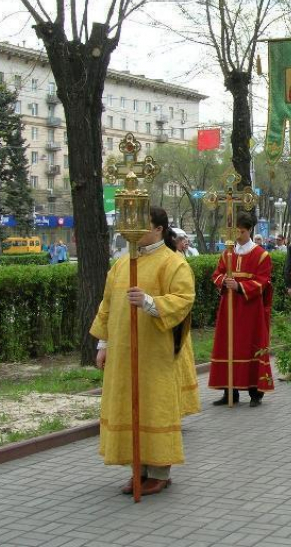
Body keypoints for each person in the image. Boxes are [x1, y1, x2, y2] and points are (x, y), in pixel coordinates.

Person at [91, 207, 199, 496]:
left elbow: (184, 299)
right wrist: (103, 343)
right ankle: (137, 469)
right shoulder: (123, 262)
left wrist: (151, 302)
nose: (135, 232)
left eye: (143, 226)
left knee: (154, 405)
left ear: (159, 229)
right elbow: (107, 304)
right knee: (128, 405)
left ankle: (160, 471)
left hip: (154, 351)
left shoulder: (173, 263)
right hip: (123, 352)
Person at [208, 213, 274, 407]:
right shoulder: (227, 253)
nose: (238, 235)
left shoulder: (261, 254)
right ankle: (230, 391)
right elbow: (216, 274)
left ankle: (255, 392)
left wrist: (239, 286)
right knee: (228, 345)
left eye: (242, 231)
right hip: (229, 307)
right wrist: (224, 282)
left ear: (250, 230)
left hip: (249, 309)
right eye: (236, 231)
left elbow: (263, 282)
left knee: (250, 345)